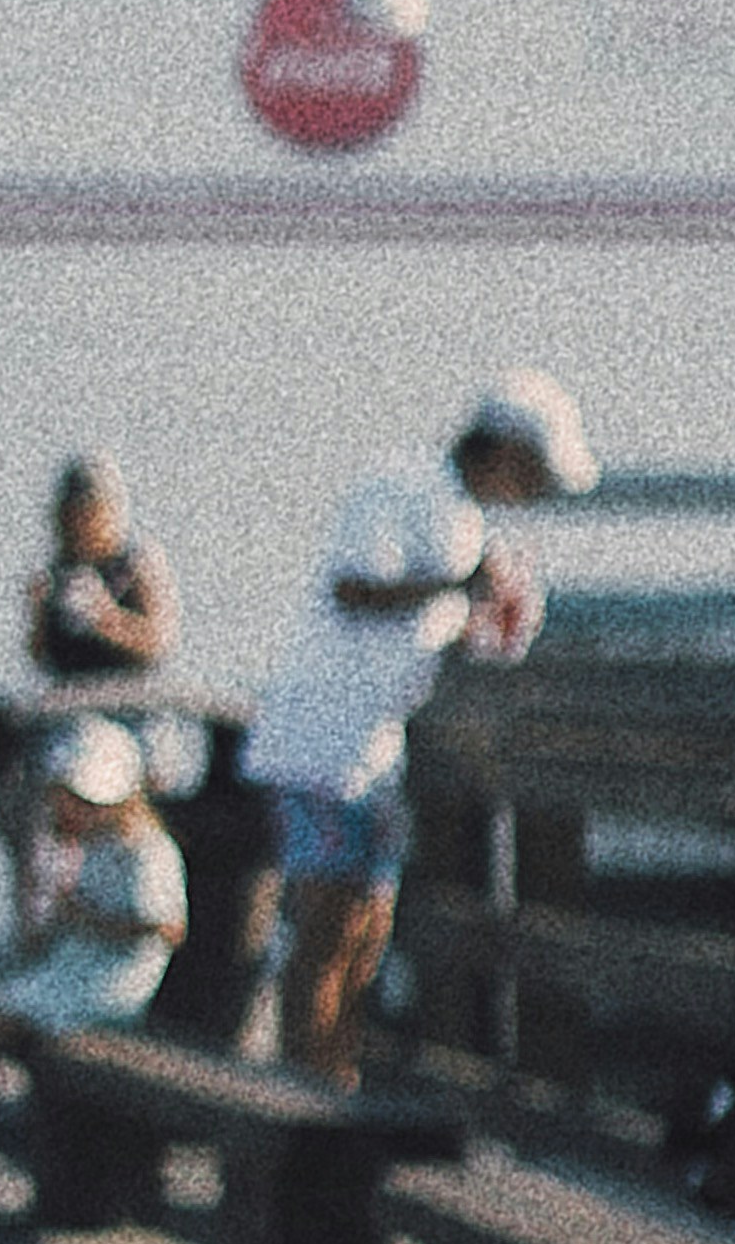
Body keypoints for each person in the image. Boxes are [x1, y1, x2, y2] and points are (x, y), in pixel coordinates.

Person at [248, 381, 590, 1079]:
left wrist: (498, 618)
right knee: (325, 931)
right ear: (503, 451)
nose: (533, 493)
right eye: (533, 474)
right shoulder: (400, 486)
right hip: (321, 740)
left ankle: (331, 1085)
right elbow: (355, 587)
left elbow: (441, 630)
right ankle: (302, 1099)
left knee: (366, 937)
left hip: (374, 751)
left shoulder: (466, 522)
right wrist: (462, 586)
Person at [5, 716, 186, 1031]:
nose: (65, 810)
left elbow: (167, 928)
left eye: (79, 801)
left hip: (109, 985)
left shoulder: (145, 850)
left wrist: (85, 919)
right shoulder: (90, 848)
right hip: (73, 974)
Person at [23, 456, 173, 685]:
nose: (81, 526)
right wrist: (39, 612)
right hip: (70, 695)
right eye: (74, 515)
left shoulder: (135, 565)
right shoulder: (55, 576)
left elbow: (157, 640)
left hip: (131, 693)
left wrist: (106, 618)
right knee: (82, 724)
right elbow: (39, 656)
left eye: (89, 514)